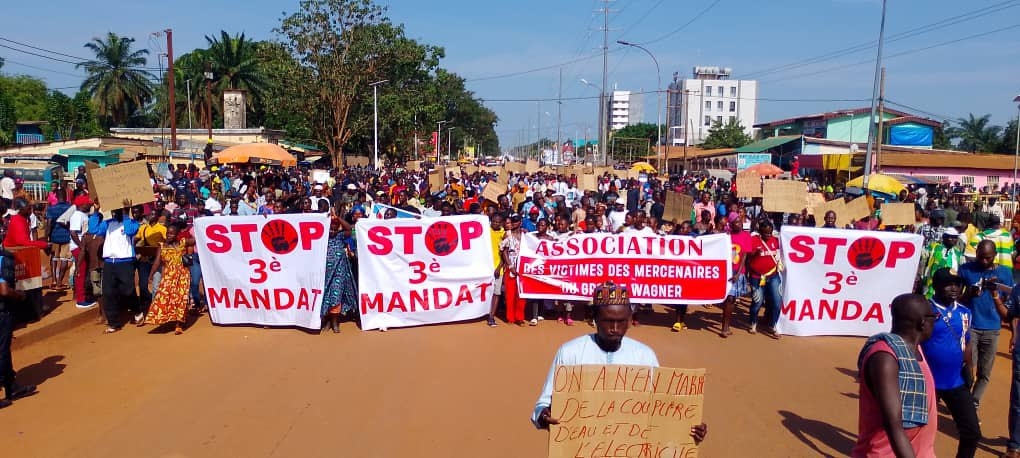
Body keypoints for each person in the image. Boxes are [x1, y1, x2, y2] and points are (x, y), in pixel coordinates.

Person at [530, 281, 708, 444]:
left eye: (621, 321)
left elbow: (662, 409)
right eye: (608, 321)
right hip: (580, 447)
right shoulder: (570, 353)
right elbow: (542, 405)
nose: (614, 328)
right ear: (594, 318)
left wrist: (688, 428)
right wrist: (545, 415)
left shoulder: (644, 356)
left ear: (630, 320)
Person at [852, 293, 937, 458]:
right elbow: (893, 424)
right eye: (935, 317)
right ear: (923, 322)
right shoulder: (885, 358)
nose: (936, 321)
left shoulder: (915, 349)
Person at [921, 268, 980, 458]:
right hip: (927, 382)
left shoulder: (965, 312)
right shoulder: (924, 311)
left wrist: (969, 368)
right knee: (918, 431)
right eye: (948, 283)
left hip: (955, 381)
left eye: (957, 284)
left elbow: (967, 341)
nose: (954, 288)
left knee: (971, 432)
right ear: (937, 285)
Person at [959, 239, 1013, 409]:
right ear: (976, 254)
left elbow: (1010, 304)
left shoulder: (1005, 273)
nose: (983, 261)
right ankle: (966, 398)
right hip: (970, 328)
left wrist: (996, 293)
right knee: (967, 367)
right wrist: (969, 294)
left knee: (985, 371)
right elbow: (956, 300)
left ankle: (974, 401)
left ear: (995, 256)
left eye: (987, 258)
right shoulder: (965, 270)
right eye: (980, 257)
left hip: (993, 329)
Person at [96, 199, 141, 333]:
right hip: (110, 262)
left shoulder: (133, 223)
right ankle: (114, 323)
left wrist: (126, 213)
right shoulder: (107, 224)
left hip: (125, 261)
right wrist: (97, 211)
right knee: (108, 293)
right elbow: (95, 230)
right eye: (114, 210)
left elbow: (129, 231)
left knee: (127, 290)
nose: (115, 213)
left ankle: (137, 311)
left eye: (118, 210)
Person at [0, 246, 37, 409]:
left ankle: (11, 386)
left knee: (4, 350)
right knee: (2, 350)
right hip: (2, 312)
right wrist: (20, 296)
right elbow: (4, 290)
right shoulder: (4, 258)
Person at [141, 223, 193, 335]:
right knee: (165, 297)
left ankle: (179, 324)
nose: (169, 235)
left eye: (172, 233)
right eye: (168, 233)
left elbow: (194, 240)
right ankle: (168, 319)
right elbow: (157, 262)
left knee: (181, 298)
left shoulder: (183, 242)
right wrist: (150, 275)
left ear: (176, 234)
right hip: (169, 276)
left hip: (183, 274)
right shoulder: (162, 246)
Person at [321, 216, 358, 333]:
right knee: (326, 295)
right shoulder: (323, 237)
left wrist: (338, 218)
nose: (333, 229)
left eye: (335, 226)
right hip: (325, 272)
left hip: (339, 270)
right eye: (331, 226)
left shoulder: (340, 236)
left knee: (336, 295)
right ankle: (327, 321)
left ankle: (335, 322)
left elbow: (349, 229)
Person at [747, 220, 782, 339]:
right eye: (766, 233)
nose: (768, 235)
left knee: (777, 302)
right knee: (757, 302)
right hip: (756, 277)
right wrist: (756, 253)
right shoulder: (754, 240)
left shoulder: (776, 241)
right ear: (760, 232)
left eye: (770, 233)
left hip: (773, 275)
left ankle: (773, 325)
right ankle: (753, 322)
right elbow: (748, 256)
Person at [921, 228, 964, 299]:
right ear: (944, 237)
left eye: (955, 237)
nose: (953, 239)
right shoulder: (934, 247)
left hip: (949, 287)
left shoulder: (957, 253)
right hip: (931, 285)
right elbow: (923, 260)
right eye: (951, 237)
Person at [501, 214, 526, 326]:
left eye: (516, 221)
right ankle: (510, 317)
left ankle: (519, 317)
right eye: (513, 221)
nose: (514, 223)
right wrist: (510, 266)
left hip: (523, 267)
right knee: (510, 294)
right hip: (511, 266)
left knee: (521, 294)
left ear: (520, 222)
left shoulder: (525, 234)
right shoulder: (508, 234)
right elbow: (504, 251)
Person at [487, 213, 505, 328]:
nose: (496, 223)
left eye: (498, 222)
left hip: (498, 268)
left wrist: (499, 267)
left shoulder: (503, 234)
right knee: (485, 293)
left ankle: (491, 316)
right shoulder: (485, 231)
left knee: (496, 293)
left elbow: (504, 254)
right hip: (486, 268)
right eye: (494, 221)